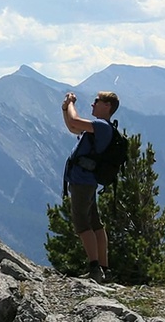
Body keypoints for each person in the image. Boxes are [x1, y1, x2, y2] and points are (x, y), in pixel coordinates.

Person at [62, 91, 120, 283]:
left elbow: (75, 120)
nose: (93, 104)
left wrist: (70, 102)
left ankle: (94, 268)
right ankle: (104, 268)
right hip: (88, 181)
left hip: (82, 181)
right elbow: (73, 126)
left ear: (107, 106)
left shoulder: (101, 126)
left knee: (82, 224)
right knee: (95, 223)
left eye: (97, 101)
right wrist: (65, 109)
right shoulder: (101, 128)